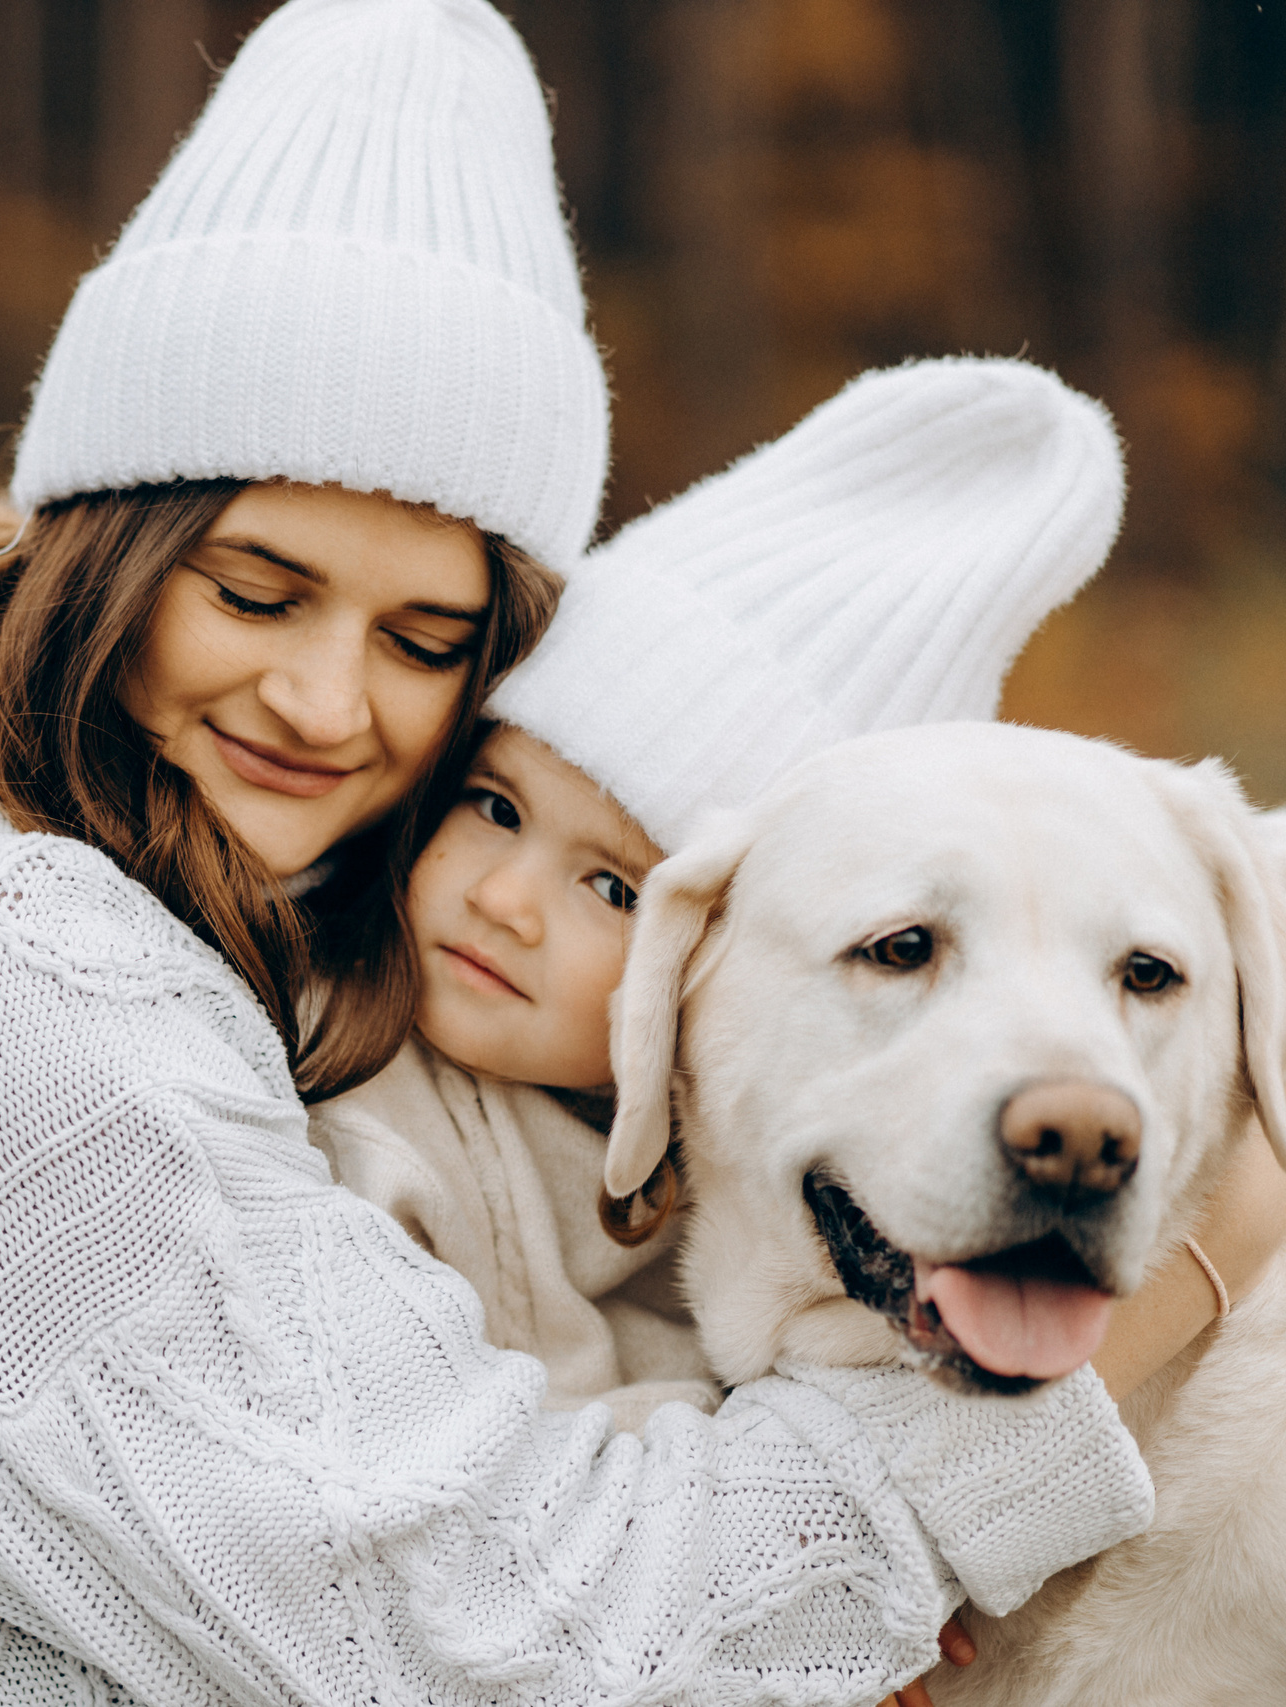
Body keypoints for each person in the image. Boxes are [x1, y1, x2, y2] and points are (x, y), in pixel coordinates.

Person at [0, 5, 1226, 1703]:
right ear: (103, 547)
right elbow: (484, 1634)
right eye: (256, 591)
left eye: (426, 642)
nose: (330, 703)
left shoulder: (60, 896)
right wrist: (1141, 1322)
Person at [312, 356, 1163, 1432]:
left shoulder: (777, 1167)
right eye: (494, 807)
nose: (505, 903)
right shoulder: (358, 1110)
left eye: (614, 887)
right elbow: (510, 1481)